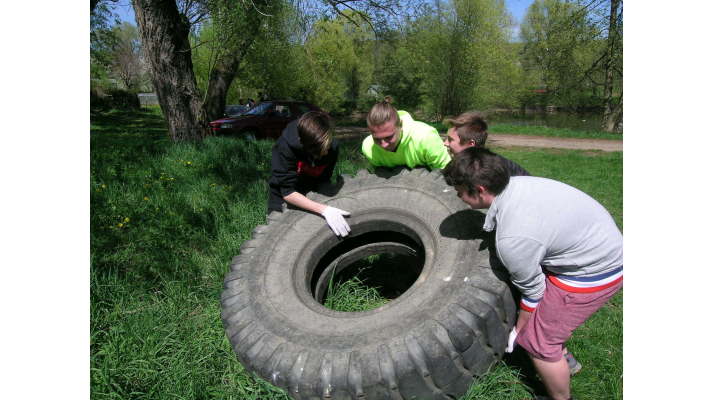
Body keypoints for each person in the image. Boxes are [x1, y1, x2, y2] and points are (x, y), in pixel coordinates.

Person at [443, 147, 622, 400]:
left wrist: (518, 332)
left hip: (593, 273)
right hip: (600, 243)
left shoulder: (513, 239)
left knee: (538, 343)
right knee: (545, 327)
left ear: (480, 190)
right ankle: (564, 356)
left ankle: (559, 395)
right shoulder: (517, 184)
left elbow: (534, 294)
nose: (457, 195)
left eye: (459, 190)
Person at [267, 111, 351, 237]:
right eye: (320, 150)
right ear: (304, 145)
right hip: (284, 195)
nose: (325, 153)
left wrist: (328, 205)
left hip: (313, 191)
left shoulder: (332, 147)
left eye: (327, 147)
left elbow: (324, 179)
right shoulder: (285, 147)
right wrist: (324, 210)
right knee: (277, 237)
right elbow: (287, 192)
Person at [361, 100, 451, 169]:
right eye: (377, 139)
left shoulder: (426, 138)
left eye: (388, 137)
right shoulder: (369, 148)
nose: (383, 145)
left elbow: (446, 174)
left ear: (400, 125)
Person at [443, 111, 530, 176]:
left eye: (450, 139)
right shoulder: (472, 163)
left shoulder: (488, 172)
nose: (445, 143)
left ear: (470, 144)